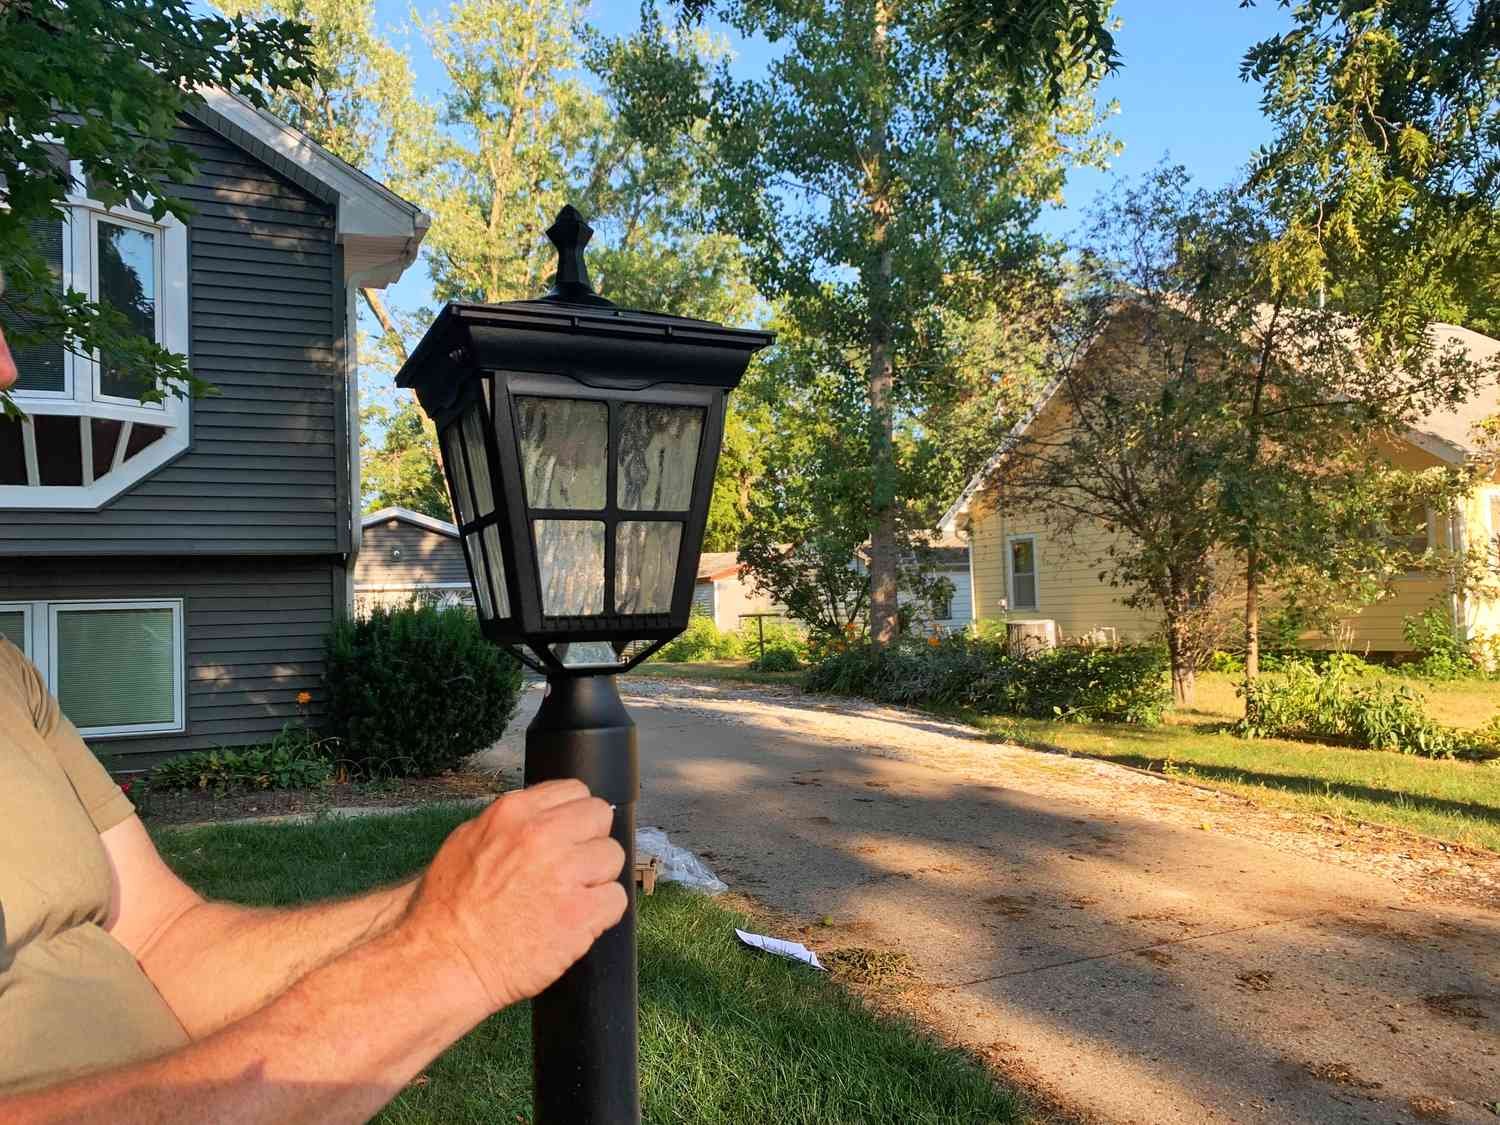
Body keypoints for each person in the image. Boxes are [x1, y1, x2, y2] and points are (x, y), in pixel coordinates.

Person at [0, 317, 629, 1121]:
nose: (12, 367)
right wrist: (452, 953)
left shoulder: (9, 675)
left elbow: (165, 940)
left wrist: (451, 892)